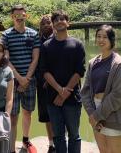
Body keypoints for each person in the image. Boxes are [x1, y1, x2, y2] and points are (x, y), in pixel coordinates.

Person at [40, 10, 86, 153]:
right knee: (58, 136)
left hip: (72, 97)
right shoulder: (46, 46)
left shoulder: (77, 44)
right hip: (53, 98)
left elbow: (80, 71)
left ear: (68, 22)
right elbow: (44, 71)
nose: (59, 21)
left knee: (74, 135)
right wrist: (60, 91)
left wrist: (65, 92)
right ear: (53, 25)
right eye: (56, 20)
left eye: (62, 19)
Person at [81, 25, 121, 153]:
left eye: (105, 37)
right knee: (103, 151)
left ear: (112, 40)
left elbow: (119, 95)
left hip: (112, 114)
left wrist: (97, 115)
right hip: (95, 111)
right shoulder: (93, 62)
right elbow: (85, 91)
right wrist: (92, 113)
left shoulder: (119, 64)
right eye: (98, 37)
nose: (101, 40)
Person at [1, 4, 40, 153]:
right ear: (12, 17)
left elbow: (35, 58)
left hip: (30, 80)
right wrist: (19, 78)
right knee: (13, 115)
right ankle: (11, 148)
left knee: (28, 112)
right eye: (16, 15)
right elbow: (6, 59)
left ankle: (25, 140)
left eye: (22, 15)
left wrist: (27, 78)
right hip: (12, 81)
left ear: (26, 16)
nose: (19, 17)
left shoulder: (33, 34)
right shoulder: (6, 35)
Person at [36, 15, 55, 153]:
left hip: (57, 84)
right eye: (43, 23)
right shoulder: (37, 40)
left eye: (48, 23)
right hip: (42, 84)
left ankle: (61, 141)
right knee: (47, 116)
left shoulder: (59, 38)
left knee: (60, 114)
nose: (46, 25)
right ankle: (51, 144)